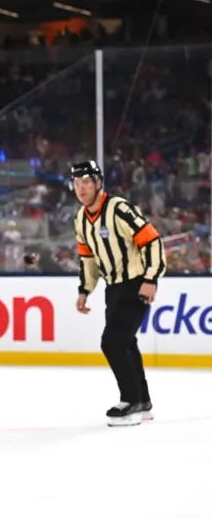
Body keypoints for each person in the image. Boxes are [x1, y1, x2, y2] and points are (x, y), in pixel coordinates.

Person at [71, 160, 166, 427]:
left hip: (135, 284)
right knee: (126, 343)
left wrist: (151, 278)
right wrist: (85, 290)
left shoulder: (119, 208)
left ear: (98, 183)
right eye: (76, 183)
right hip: (113, 289)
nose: (81, 188)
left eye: (86, 182)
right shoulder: (81, 219)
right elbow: (87, 259)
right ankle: (142, 402)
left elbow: (152, 240)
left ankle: (130, 401)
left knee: (112, 342)